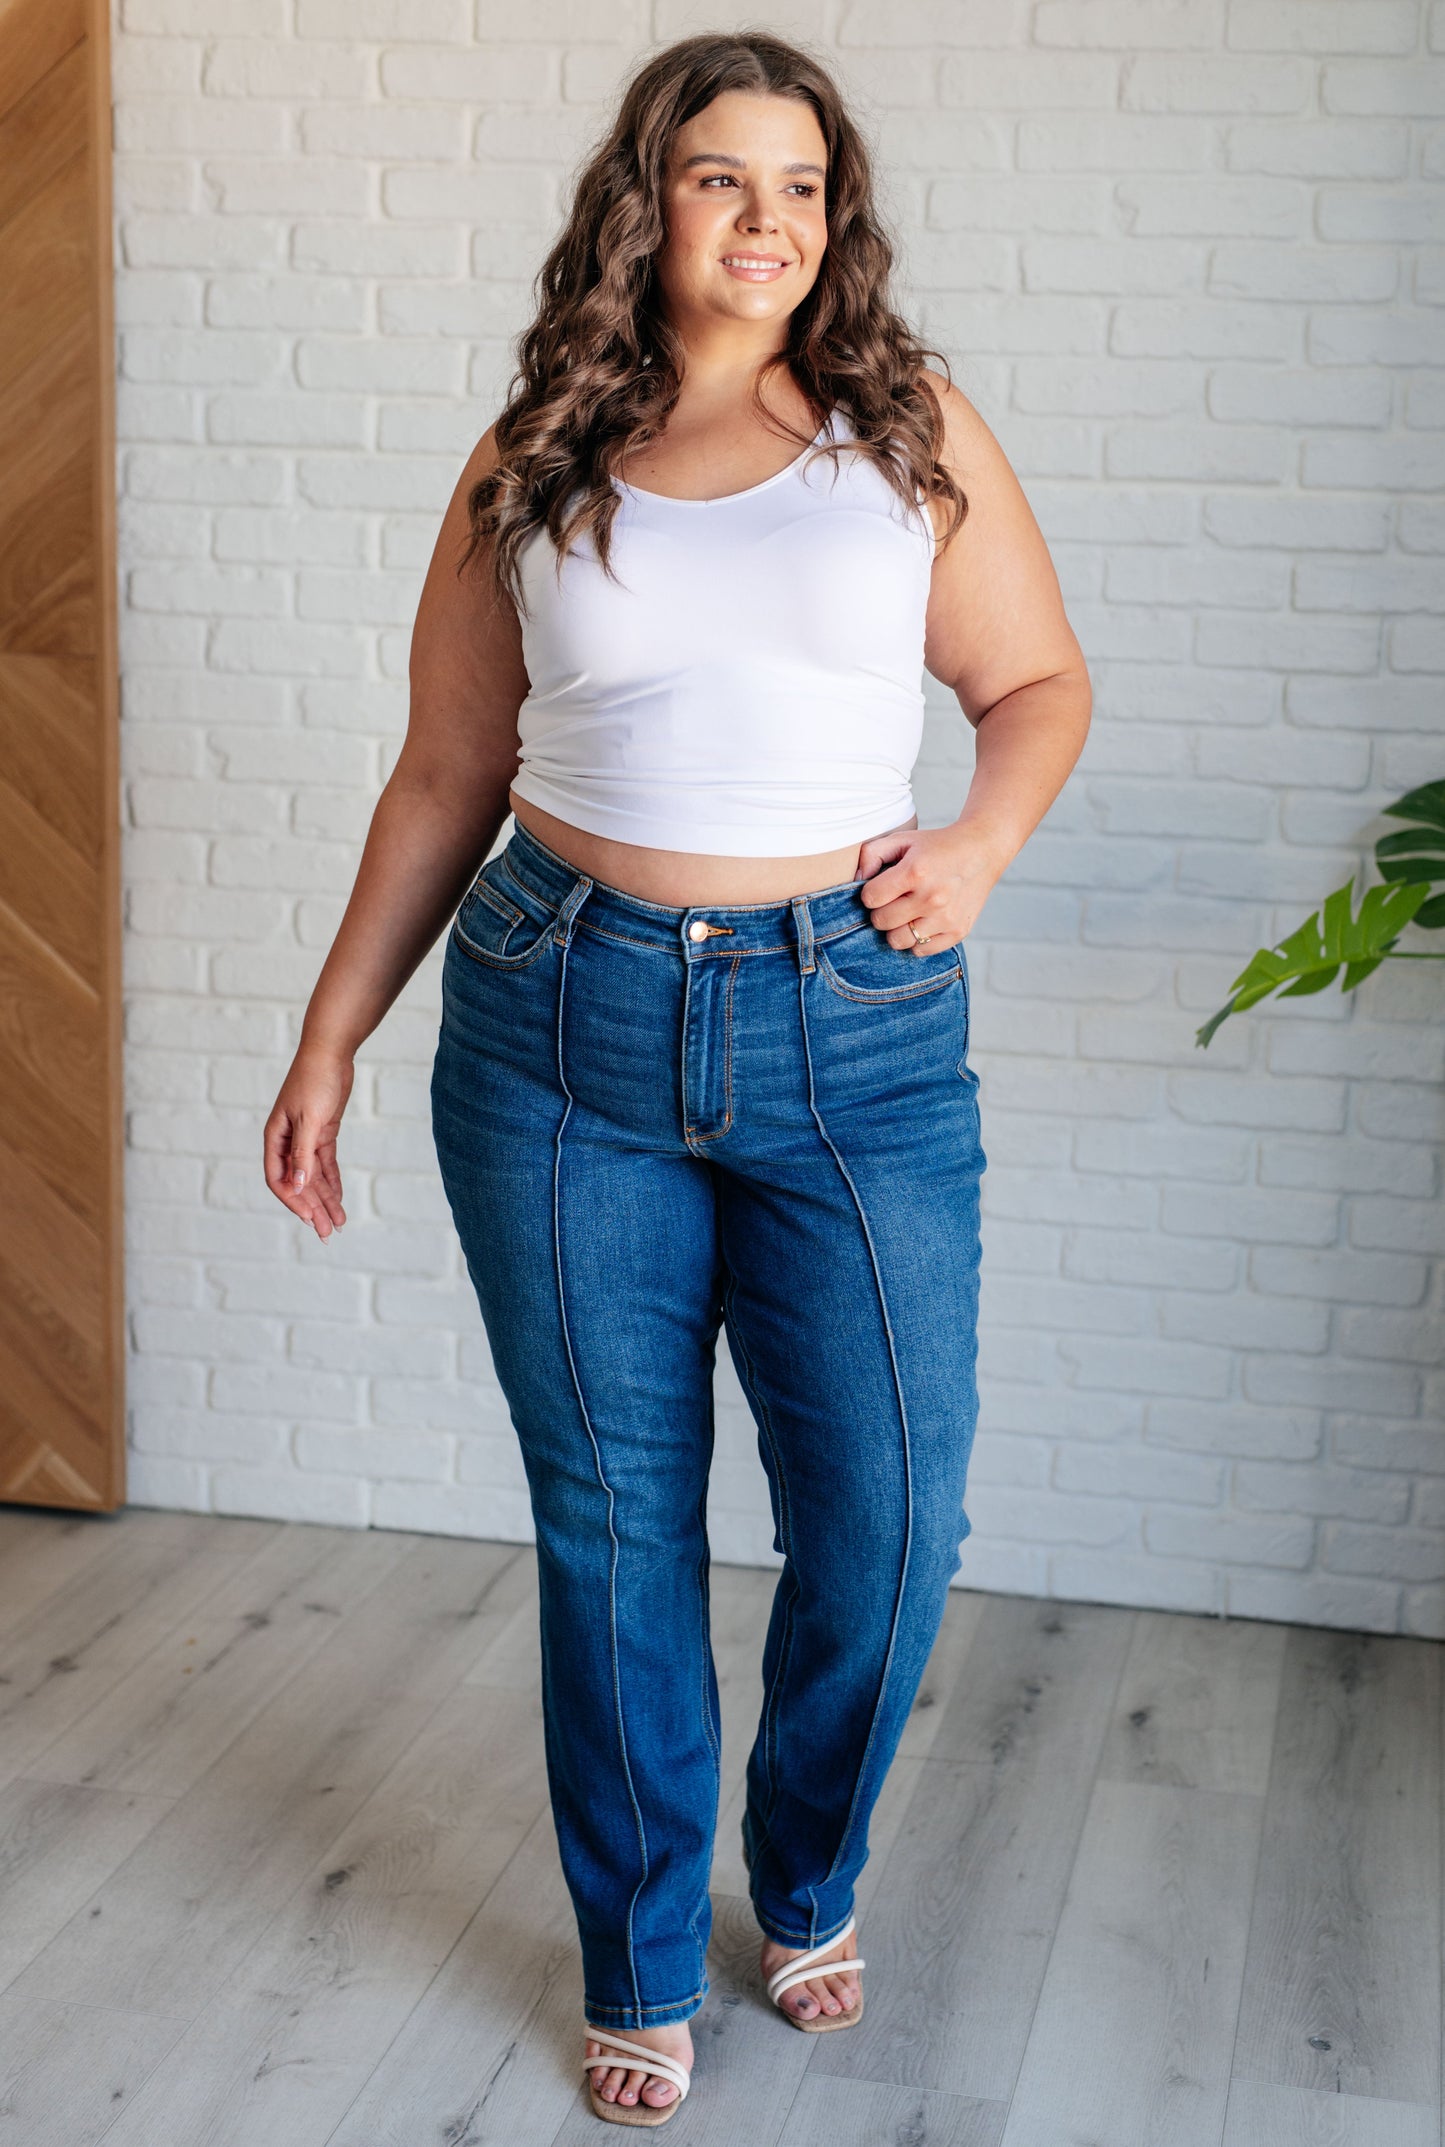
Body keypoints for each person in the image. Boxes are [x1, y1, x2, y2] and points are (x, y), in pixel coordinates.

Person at [264, 29, 1090, 2129]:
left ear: (838, 216)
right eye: (724, 177)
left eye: (803, 186)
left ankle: (804, 1874)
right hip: (558, 1024)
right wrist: (332, 1031)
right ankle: (639, 1952)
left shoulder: (905, 432)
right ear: (647, 201)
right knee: (616, 1525)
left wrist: (975, 849)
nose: (767, 220)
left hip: (853, 1035)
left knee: (891, 1520)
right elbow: (445, 772)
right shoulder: (537, 450)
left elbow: (1031, 682)